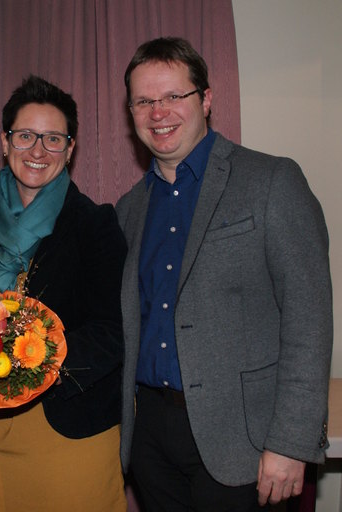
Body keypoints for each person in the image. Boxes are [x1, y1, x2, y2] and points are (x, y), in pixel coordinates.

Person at [116, 37, 333, 511]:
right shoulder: (129, 209)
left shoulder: (273, 181)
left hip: (247, 447)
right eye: (144, 101)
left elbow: (309, 319)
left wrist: (292, 441)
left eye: (174, 96)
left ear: (207, 99)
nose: (159, 112)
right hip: (151, 440)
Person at [0, 75, 128, 511]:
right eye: (26, 135)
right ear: (4, 141)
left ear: (70, 149)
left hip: (67, 424)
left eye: (53, 139)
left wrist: (32, 358)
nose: (37, 150)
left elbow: (112, 331)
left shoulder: (95, 225)